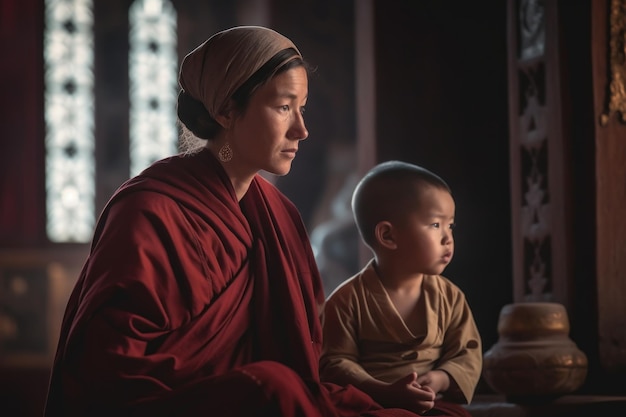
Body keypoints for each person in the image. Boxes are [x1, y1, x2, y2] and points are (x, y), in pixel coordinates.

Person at [44, 26, 419, 417]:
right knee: (271, 387)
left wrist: (379, 391)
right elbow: (108, 371)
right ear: (225, 110)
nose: (301, 130)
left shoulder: (279, 215)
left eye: (302, 108)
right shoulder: (148, 212)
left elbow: (309, 356)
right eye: (283, 107)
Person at [319, 161, 482, 416]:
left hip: (432, 404)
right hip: (371, 402)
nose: (447, 238)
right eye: (435, 225)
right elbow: (335, 363)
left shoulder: (450, 297)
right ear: (388, 236)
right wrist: (383, 391)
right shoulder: (347, 300)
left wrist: (440, 379)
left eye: (450, 225)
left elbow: (466, 352)